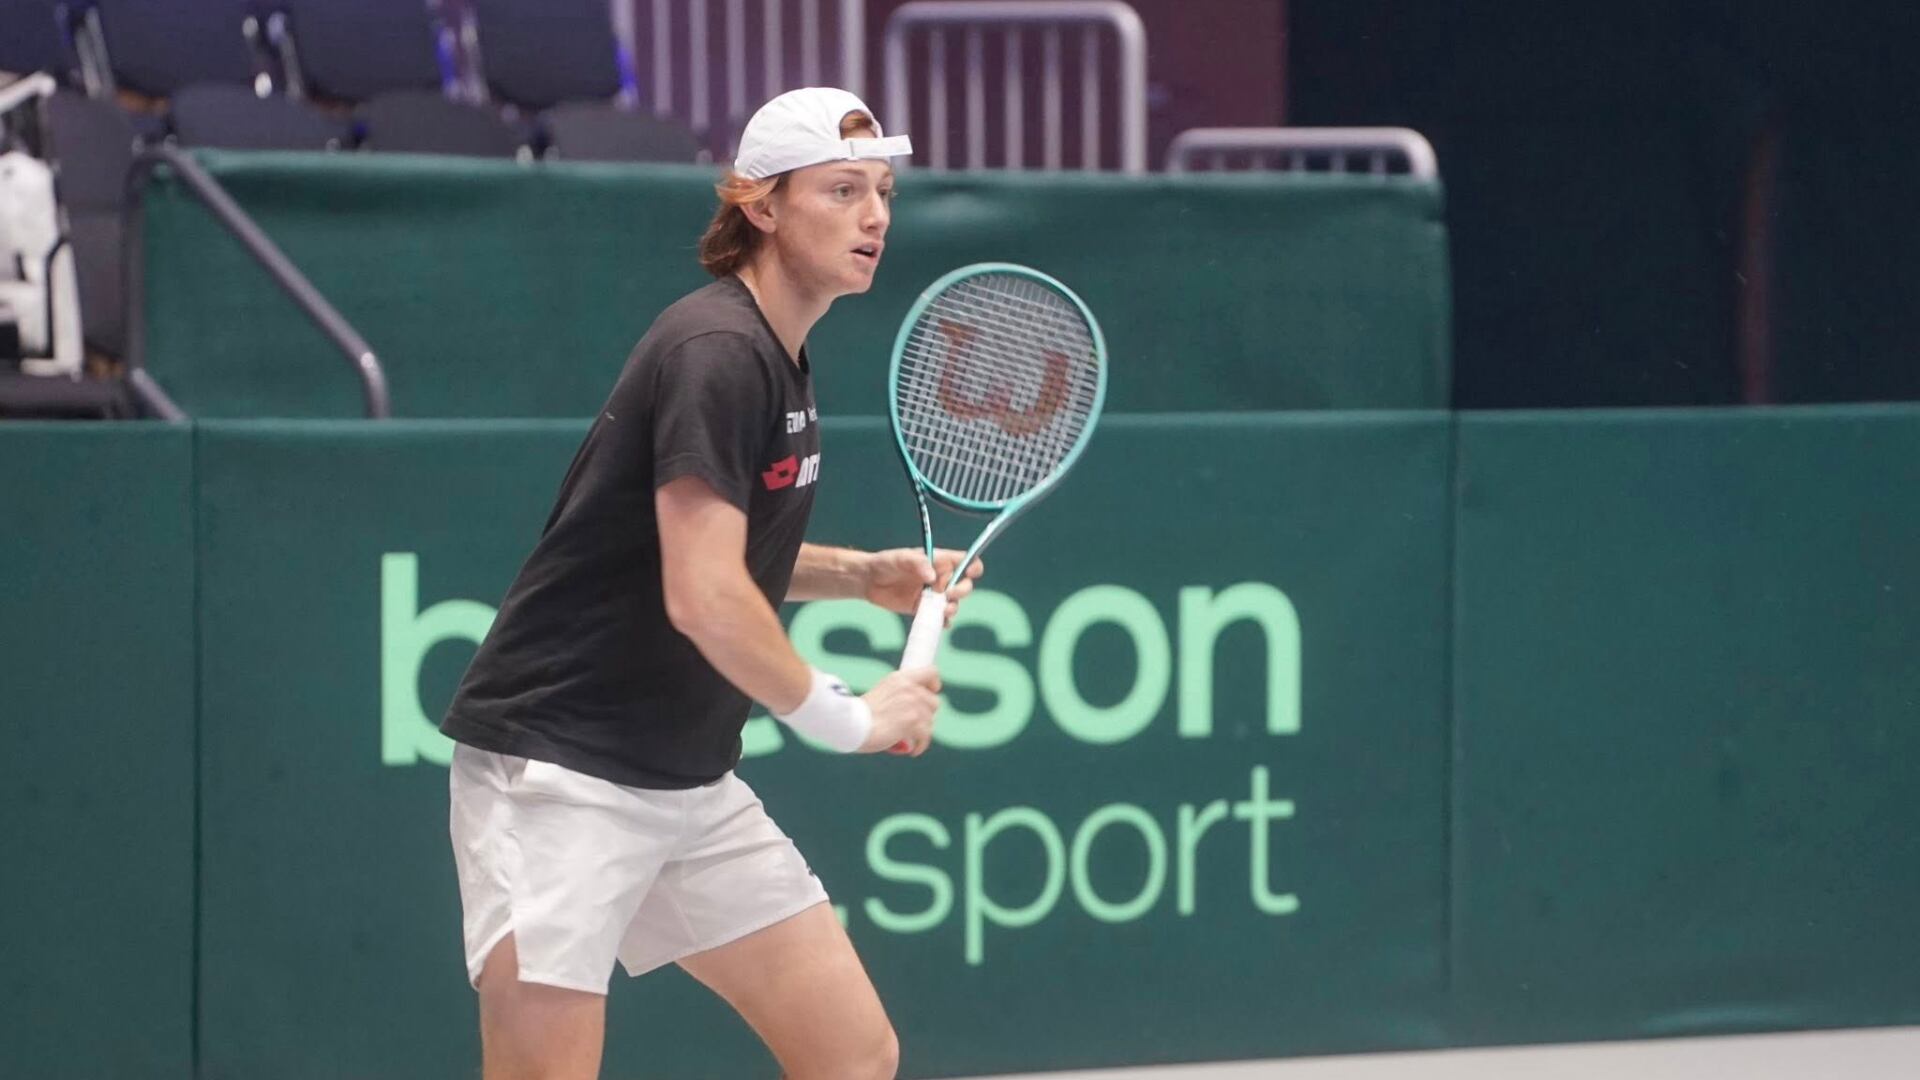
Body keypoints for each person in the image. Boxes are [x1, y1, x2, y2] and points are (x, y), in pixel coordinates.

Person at [439, 87, 980, 1080]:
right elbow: (703, 596)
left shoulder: (779, 354)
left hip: (684, 778)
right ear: (761, 206)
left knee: (854, 1056)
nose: (876, 218)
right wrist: (851, 718)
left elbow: (719, 555)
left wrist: (863, 578)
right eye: (844, 190)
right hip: (561, 774)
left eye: (887, 193)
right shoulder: (718, 351)